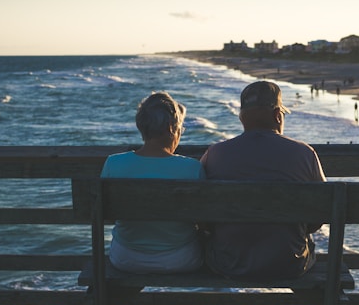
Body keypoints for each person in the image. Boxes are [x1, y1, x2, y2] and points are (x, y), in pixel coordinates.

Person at [200, 81, 326, 281]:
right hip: (289, 264)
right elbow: (321, 212)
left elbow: (201, 214)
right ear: (277, 115)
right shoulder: (305, 153)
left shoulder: (215, 154)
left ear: (242, 118)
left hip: (228, 263)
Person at [101, 92, 205, 274]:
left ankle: (126, 301)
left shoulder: (113, 163)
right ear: (171, 128)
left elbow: (107, 215)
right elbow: (204, 220)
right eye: (181, 128)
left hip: (125, 258)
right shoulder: (192, 168)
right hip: (180, 259)